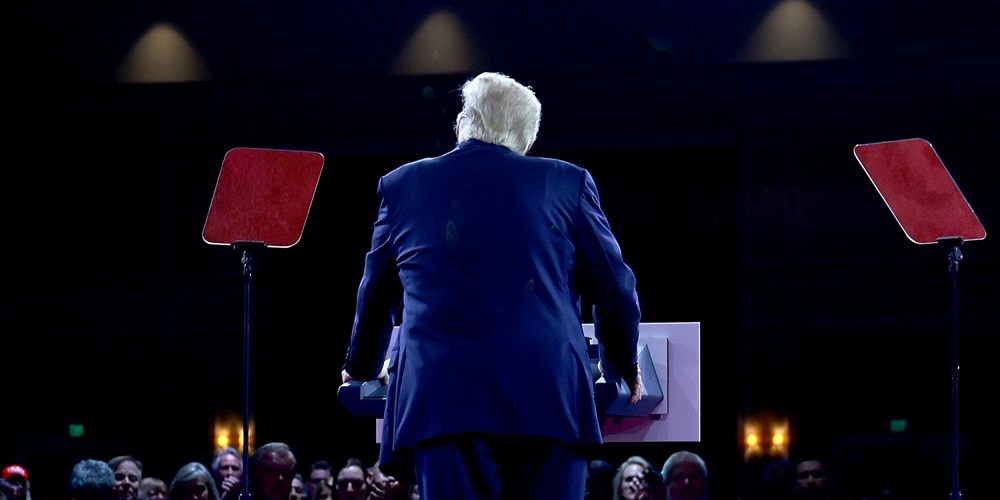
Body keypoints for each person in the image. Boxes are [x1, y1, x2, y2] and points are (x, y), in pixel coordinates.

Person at [341, 71, 643, 500]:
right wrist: (621, 366)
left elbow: (376, 293)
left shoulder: (402, 184)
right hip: (548, 400)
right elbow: (615, 287)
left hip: (443, 402)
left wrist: (361, 367)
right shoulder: (565, 181)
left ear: (464, 120)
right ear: (526, 139)